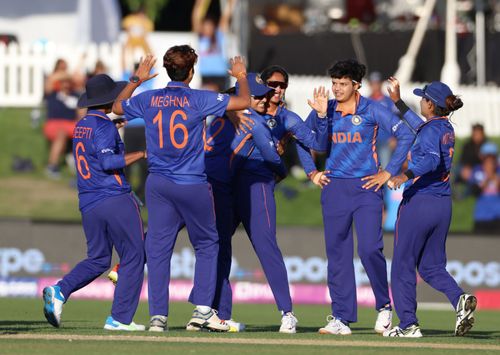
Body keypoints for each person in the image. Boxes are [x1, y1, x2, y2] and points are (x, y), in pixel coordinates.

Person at [112, 45, 250, 332]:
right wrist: (242, 75)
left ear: (166, 70)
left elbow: (116, 107)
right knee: (208, 244)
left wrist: (136, 79)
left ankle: (158, 318)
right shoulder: (199, 99)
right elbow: (245, 100)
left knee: (159, 250)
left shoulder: (149, 99)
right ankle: (202, 310)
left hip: (159, 184)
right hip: (191, 183)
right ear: (191, 71)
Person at [296, 59, 414, 335]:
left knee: (370, 249)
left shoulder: (372, 109)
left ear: (356, 85)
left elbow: (406, 135)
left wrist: (389, 172)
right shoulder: (326, 109)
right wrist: (312, 172)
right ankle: (341, 317)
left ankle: (384, 307)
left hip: (366, 188)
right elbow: (303, 139)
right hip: (335, 188)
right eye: (334, 83)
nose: (336, 89)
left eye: (342, 84)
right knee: (337, 253)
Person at [42, 70, 152, 331]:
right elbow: (107, 162)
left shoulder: (83, 124)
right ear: (108, 100)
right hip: (114, 199)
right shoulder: (102, 126)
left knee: (99, 259)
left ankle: (60, 291)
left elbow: (95, 147)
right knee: (135, 255)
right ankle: (120, 318)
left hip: (89, 202)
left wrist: (112, 128)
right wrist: (141, 153)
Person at [384, 78, 476, 338]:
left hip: (420, 203)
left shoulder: (433, 130)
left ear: (430, 104)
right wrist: (398, 103)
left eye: (423, 98)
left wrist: (405, 174)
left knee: (402, 265)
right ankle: (460, 300)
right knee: (431, 267)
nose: (420, 101)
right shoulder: (443, 127)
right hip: (441, 205)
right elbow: (419, 127)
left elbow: (432, 160)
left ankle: (408, 325)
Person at [204, 73, 293, 333]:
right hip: (227, 188)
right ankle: (215, 313)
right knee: (218, 248)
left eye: (272, 91)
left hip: (231, 187)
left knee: (233, 247)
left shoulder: (224, 114)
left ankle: (286, 312)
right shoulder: (252, 120)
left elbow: (313, 141)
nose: (268, 97)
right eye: (262, 94)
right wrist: (282, 173)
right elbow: (273, 159)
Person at [43, 71, 81, 179]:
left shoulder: (75, 95)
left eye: (68, 82)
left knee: (87, 131)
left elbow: (81, 115)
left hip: (71, 124)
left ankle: (85, 163)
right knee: (61, 133)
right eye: (63, 82)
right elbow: (50, 80)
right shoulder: (53, 93)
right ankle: (52, 166)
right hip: (54, 124)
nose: (66, 84)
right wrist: (67, 74)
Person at [192, 0, 235, 91]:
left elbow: (225, 17)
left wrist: (231, 4)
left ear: (214, 27)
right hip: (206, 76)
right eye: (205, 26)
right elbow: (195, 18)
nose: (207, 28)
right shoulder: (201, 39)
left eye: (209, 26)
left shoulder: (219, 36)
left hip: (220, 75)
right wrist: (200, 3)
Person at [470, 142, 500, 234]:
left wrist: (495, 178)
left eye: (493, 157)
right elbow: (474, 192)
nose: (490, 160)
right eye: (487, 157)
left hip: (497, 216)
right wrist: (487, 178)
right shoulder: (477, 170)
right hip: (481, 217)